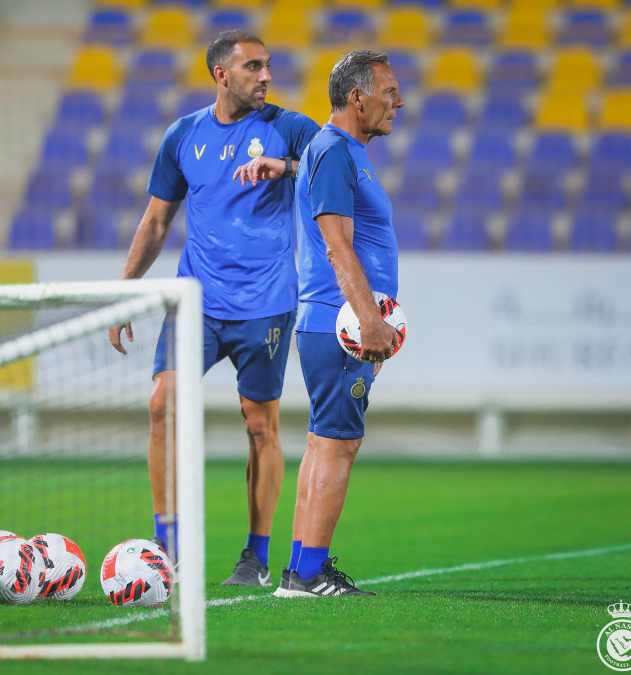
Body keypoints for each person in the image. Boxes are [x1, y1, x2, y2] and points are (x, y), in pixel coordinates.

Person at [108, 30, 319, 586]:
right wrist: (126, 292)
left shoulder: (289, 128)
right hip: (196, 300)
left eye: (268, 66)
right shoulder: (183, 136)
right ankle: (166, 546)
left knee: (259, 426)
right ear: (221, 75)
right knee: (162, 405)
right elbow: (156, 222)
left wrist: (288, 169)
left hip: (265, 304)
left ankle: (254, 555)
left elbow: (338, 165)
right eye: (253, 67)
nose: (266, 76)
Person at [272, 50, 404, 598]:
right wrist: (370, 320)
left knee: (324, 443)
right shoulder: (333, 150)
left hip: (334, 321)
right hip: (340, 323)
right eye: (389, 91)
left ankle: (301, 568)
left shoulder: (339, 152)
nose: (399, 101)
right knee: (338, 444)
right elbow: (335, 245)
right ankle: (309, 574)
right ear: (357, 98)